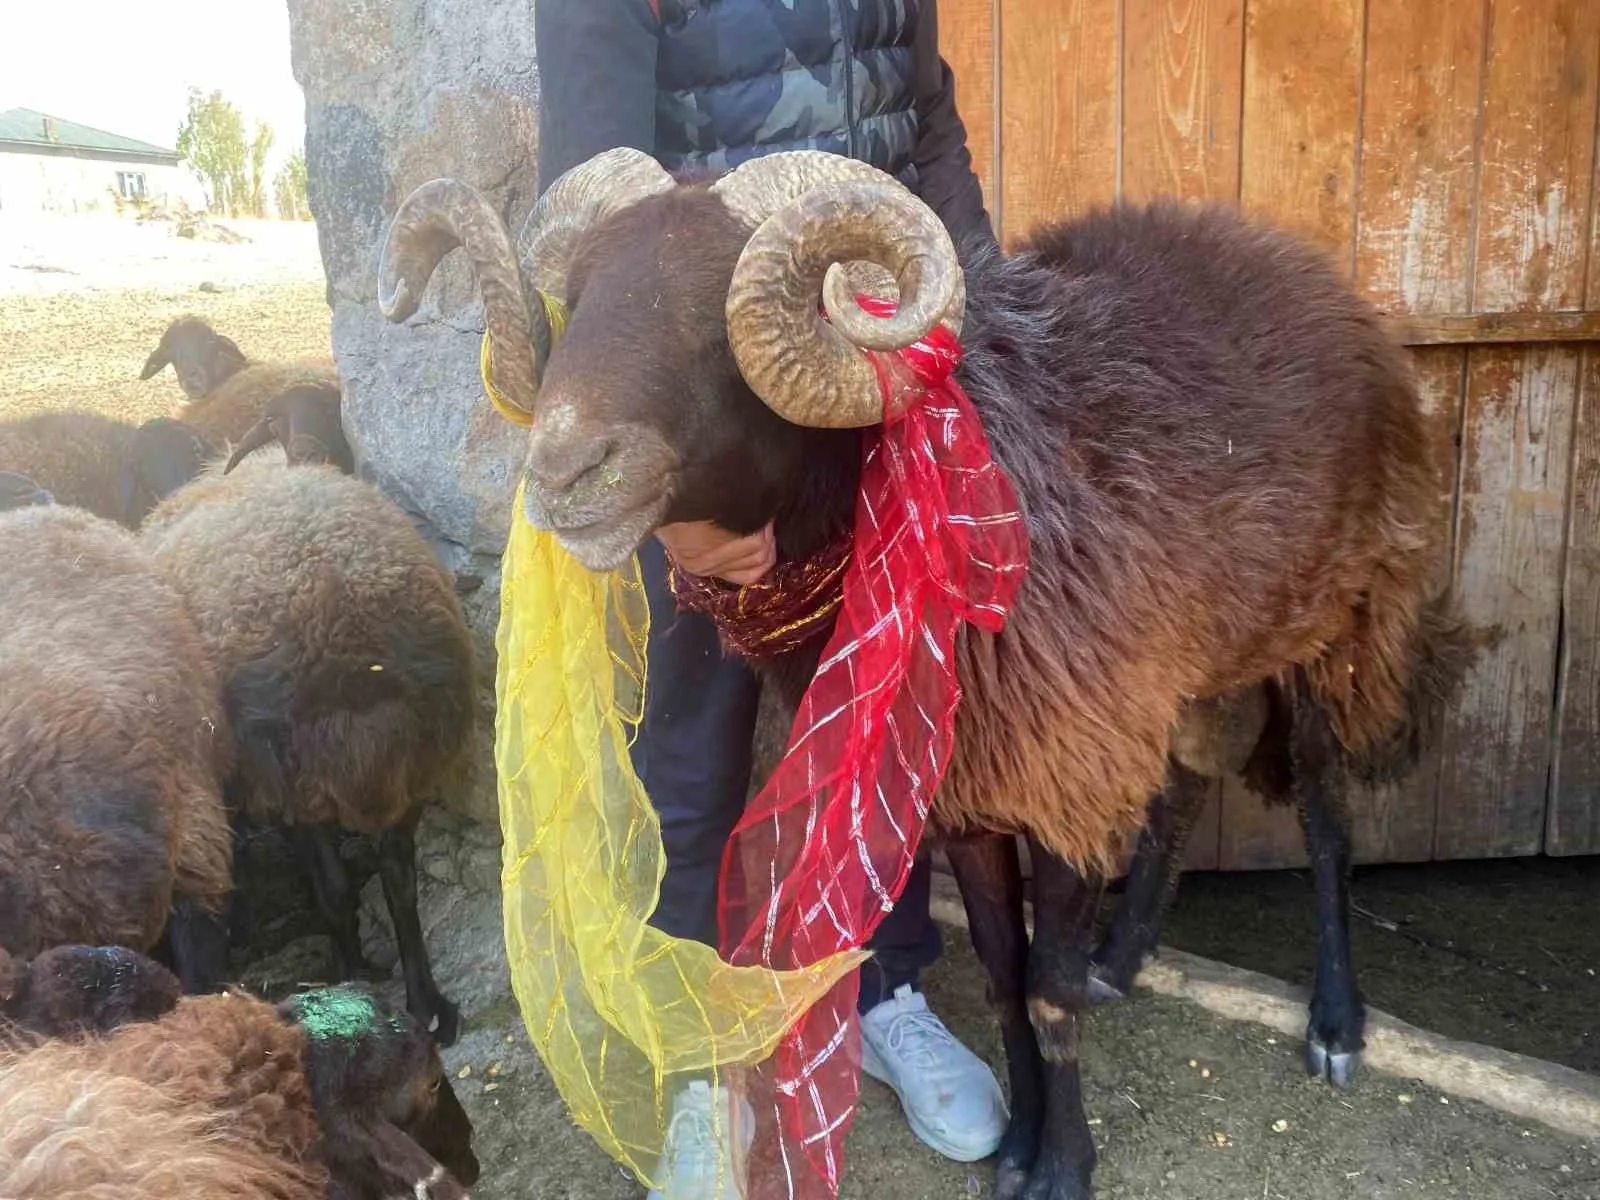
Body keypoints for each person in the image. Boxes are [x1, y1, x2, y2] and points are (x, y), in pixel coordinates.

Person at [533, 2, 1004, 1195]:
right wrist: (680, 520)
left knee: (881, 717)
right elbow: (591, 196)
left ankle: (885, 991)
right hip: (701, 428)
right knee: (690, 753)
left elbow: (924, 120)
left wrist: (980, 340)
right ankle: (704, 1061)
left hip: (859, 391)